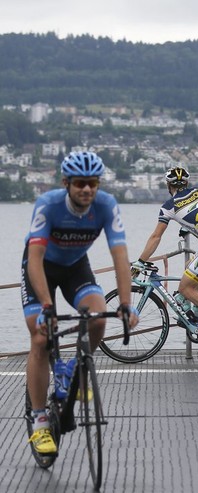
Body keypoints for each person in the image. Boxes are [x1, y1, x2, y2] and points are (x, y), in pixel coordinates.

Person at [22, 151, 139, 455]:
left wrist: (126, 303)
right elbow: (34, 259)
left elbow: (120, 256)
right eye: (80, 184)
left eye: (93, 183)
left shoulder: (106, 206)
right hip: (41, 269)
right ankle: (39, 420)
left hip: (75, 266)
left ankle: (74, 370)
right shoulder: (48, 205)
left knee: (98, 318)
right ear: (67, 183)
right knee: (41, 336)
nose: (87, 189)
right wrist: (47, 305)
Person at [134, 165, 198, 339]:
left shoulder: (168, 207)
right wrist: (185, 228)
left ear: (168, 185)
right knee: (190, 266)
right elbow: (196, 214)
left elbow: (156, 237)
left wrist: (141, 261)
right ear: (187, 183)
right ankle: (197, 310)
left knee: (185, 287)